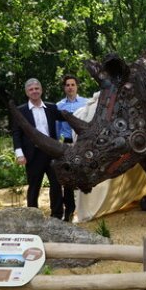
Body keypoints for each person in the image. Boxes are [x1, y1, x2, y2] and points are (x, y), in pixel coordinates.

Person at [12, 78, 64, 218]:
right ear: (27, 92)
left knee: (56, 184)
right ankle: (32, 217)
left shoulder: (52, 107)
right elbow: (16, 133)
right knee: (34, 186)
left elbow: (66, 118)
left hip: (52, 152)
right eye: (31, 89)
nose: (34, 91)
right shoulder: (20, 111)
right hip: (33, 154)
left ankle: (57, 215)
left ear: (41, 90)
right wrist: (19, 154)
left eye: (36, 88)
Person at [55, 74, 88, 221]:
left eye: (72, 84)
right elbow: (57, 128)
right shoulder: (59, 106)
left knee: (84, 174)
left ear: (77, 86)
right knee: (68, 178)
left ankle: (85, 209)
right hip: (68, 143)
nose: (70, 87)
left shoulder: (86, 103)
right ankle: (69, 210)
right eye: (67, 85)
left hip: (84, 143)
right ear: (64, 88)